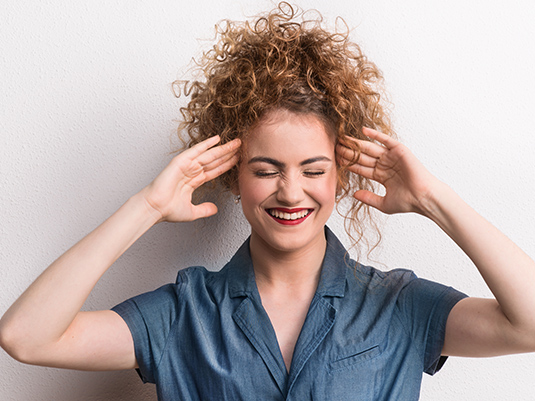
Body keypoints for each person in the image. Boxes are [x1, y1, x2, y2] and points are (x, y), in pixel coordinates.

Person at [1, 3, 534, 400]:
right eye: (266, 169)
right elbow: (26, 337)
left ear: (341, 176)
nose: (290, 191)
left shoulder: (399, 307)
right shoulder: (184, 315)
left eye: (313, 170)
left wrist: (433, 198)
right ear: (234, 177)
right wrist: (148, 206)